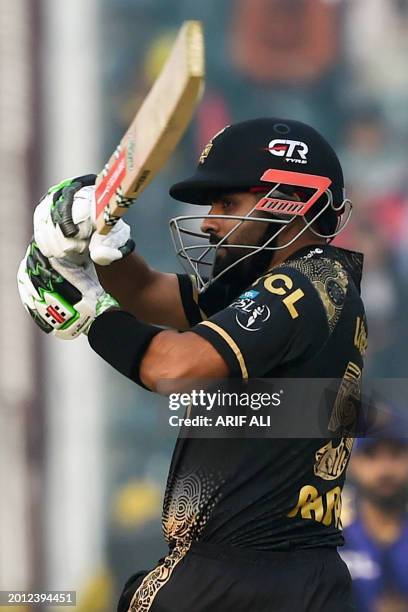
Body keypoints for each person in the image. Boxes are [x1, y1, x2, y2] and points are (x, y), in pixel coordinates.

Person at [17, 118, 366, 611]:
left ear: (291, 203)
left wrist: (91, 317)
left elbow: (174, 367)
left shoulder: (301, 286)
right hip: (289, 575)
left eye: (228, 204)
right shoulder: (291, 285)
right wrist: (98, 240)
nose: (207, 220)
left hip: (241, 580)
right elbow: (146, 293)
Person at [341, 434, 408, 612]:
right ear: (351, 463)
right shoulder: (331, 543)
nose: (385, 469)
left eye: (396, 454)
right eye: (371, 455)